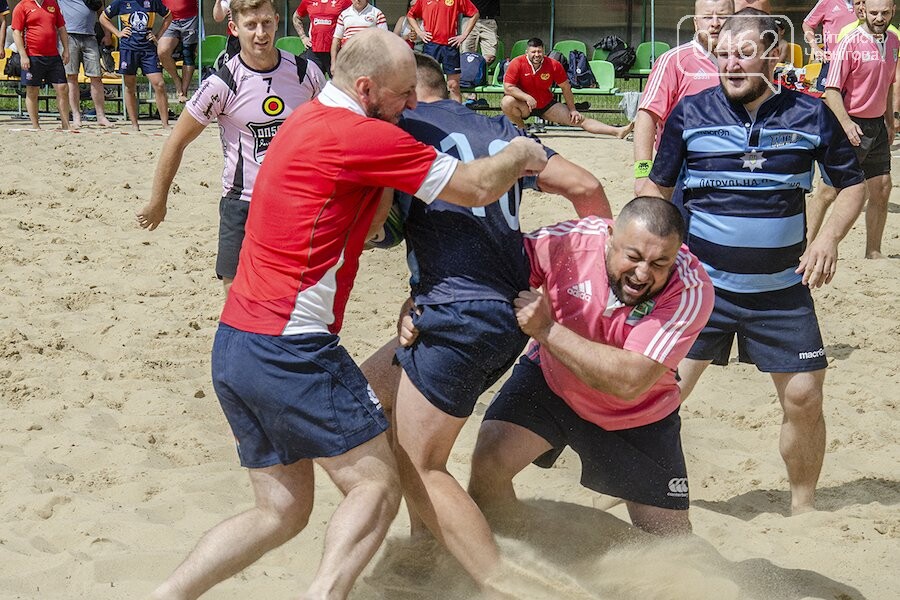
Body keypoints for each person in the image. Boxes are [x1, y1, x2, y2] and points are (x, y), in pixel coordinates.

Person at [147, 28, 548, 600]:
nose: (412, 105)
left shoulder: (306, 118)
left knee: (279, 511)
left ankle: (169, 594)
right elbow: (478, 186)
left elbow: (365, 209)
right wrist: (520, 150)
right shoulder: (358, 135)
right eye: (403, 92)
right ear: (365, 88)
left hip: (236, 343)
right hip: (293, 347)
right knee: (379, 484)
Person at [359, 51, 611, 590]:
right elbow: (587, 187)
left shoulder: (405, 127)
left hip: (459, 316)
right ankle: (427, 545)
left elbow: (372, 230)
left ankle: (502, 584)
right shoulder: (498, 127)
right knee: (368, 394)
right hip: (502, 313)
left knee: (420, 464)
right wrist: (599, 285)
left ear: (410, 91)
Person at [642, 11, 866, 514]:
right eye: (723, 55)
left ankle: (803, 510)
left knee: (805, 397)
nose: (731, 65)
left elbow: (852, 184)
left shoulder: (810, 114)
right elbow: (656, 190)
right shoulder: (690, 113)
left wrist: (827, 239)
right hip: (700, 289)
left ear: (775, 53)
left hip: (782, 291)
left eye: (743, 54)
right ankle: (622, 491)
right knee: (659, 394)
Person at [468, 198, 714, 536]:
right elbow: (490, 270)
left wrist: (546, 329)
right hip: (552, 383)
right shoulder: (569, 242)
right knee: (488, 463)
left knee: (671, 543)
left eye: (660, 263)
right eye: (633, 257)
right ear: (610, 236)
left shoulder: (691, 288)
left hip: (637, 414)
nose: (643, 274)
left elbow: (629, 380)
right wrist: (421, 298)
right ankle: (516, 549)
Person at [137, 0, 325, 295]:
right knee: (236, 299)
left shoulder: (306, 74)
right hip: (243, 203)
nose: (260, 33)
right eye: (250, 25)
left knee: (296, 298)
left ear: (277, 21)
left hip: (297, 203)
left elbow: (332, 132)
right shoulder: (222, 83)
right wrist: (158, 201)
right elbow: (177, 142)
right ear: (234, 29)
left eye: (266, 23)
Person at [810, 0, 899, 258]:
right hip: (849, 124)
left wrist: (890, 121)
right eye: (874, 13)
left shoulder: (894, 41)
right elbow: (830, 91)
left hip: (878, 127)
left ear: (892, 10)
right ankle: (804, 246)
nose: (879, 17)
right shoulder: (849, 42)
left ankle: (873, 252)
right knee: (828, 191)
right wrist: (847, 124)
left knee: (882, 187)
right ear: (863, 12)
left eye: (884, 12)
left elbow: (889, 84)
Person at [634, 0, 733, 197]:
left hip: (729, 165)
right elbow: (646, 116)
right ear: (696, 23)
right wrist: (642, 174)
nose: (715, 23)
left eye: (722, 16)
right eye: (707, 17)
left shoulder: (741, 63)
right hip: (680, 168)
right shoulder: (674, 61)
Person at [502, 38, 632, 138]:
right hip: (524, 105)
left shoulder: (553, 65)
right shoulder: (517, 63)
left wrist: (573, 109)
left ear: (544, 51)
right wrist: (527, 97)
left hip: (546, 104)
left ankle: (617, 131)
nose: (537, 54)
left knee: (579, 120)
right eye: (533, 52)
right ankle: (522, 128)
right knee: (506, 101)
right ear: (527, 52)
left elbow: (566, 88)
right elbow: (508, 88)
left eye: (539, 51)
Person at [99, 0, 173, 130]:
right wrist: (117, 33)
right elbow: (103, 18)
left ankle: (165, 123)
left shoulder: (152, 2)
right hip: (128, 49)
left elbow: (169, 16)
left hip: (148, 49)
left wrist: (158, 35)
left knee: (159, 84)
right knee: (129, 86)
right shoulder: (121, 2)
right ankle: (134, 124)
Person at [11, 0, 71, 130]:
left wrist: (66, 49)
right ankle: (36, 126)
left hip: (53, 55)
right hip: (32, 55)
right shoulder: (22, 6)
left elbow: (61, 28)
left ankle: (65, 125)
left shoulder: (52, 4)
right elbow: (16, 32)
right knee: (32, 90)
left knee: (63, 88)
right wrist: (23, 55)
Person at [406, 0, 479, 102]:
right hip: (431, 45)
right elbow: (410, 15)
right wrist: (420, 32)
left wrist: (463, 35)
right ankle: (428, 115)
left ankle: (455, 115)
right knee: (427, 83)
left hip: (450, 45)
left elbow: (475, 13)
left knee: (453, 85)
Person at [57, 0, 112, 128]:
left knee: (96, 77)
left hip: (90, 36)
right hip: (69, 36)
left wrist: (107, 34)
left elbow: (101, 12)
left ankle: (101, 116)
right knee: (71, 77)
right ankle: (76, 116)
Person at [292, 0, 350, 76]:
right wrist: (303, 37)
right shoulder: (308, 1)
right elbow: (296, 17)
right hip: (314, 51)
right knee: (313, 83)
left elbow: (354, 13)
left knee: (338, 84)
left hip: (335, 51)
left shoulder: (343, 1)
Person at [157, 0, 199, 103]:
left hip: (190, 17)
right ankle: (177, 80)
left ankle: (183, 91)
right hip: (170, 19)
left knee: (188, 54)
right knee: (162, 51)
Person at [330, 0, 387, 73]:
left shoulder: (377, 13)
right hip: (348, 58)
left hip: (370, 59)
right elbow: (336, 40)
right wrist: (333, 63)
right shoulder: (344, 14)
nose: (357, 0)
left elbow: (384, 39)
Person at [460, 0, 499, 67]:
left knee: (490, 57)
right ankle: (471, 74)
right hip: (469, 19)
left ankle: (478, 73)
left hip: (488, 20)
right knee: (466, 55)